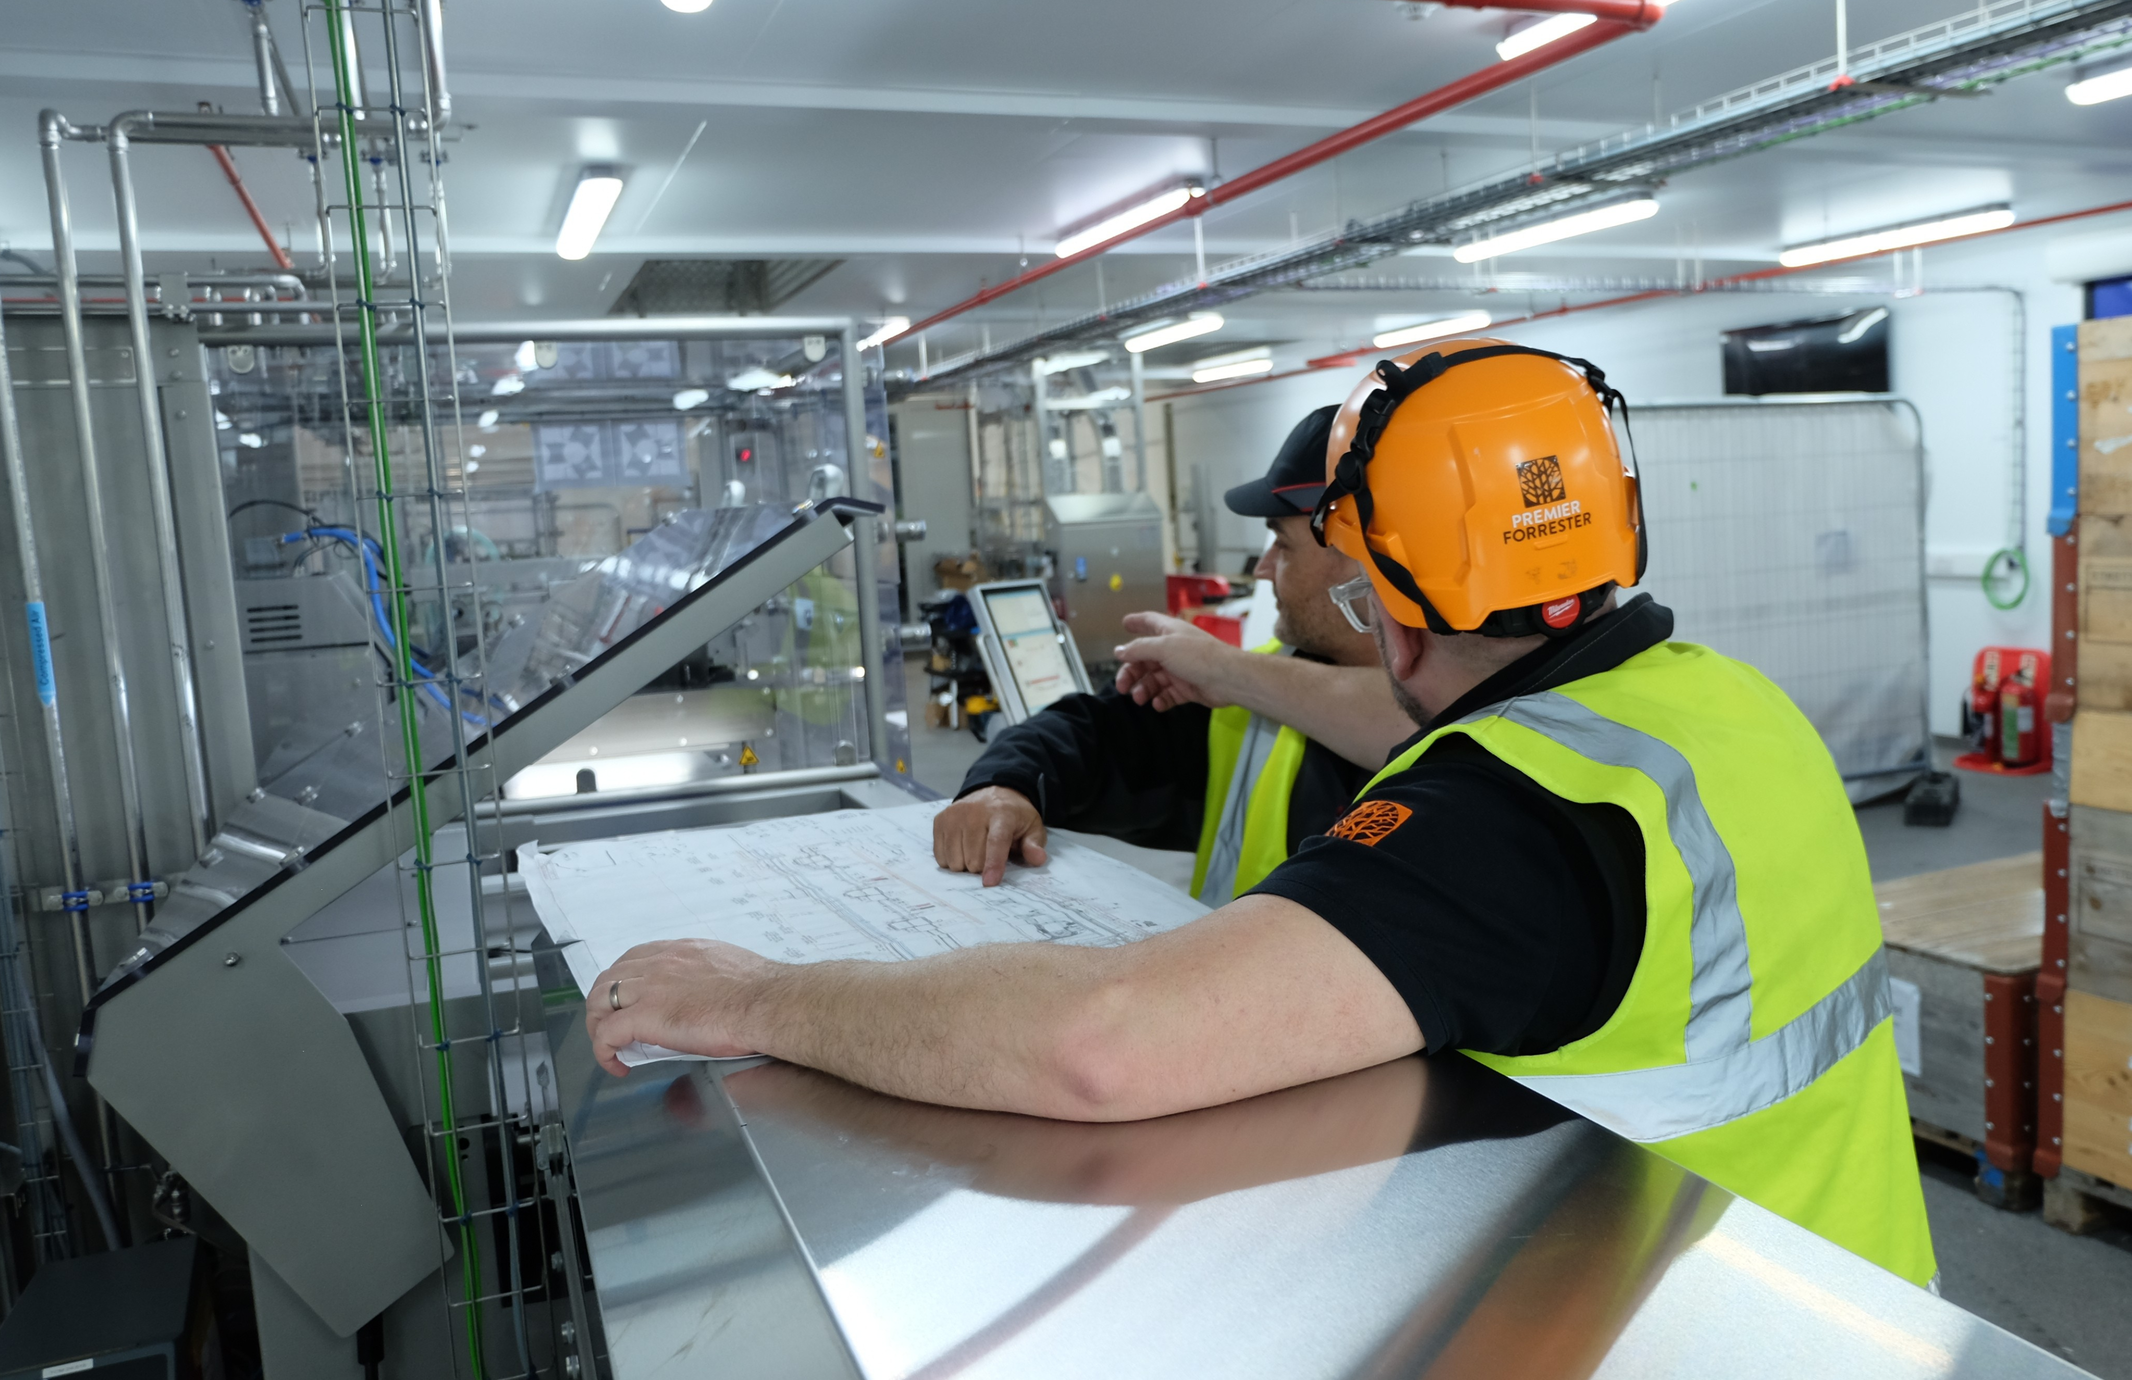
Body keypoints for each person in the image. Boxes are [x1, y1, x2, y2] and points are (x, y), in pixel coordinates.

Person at [585, 339, 1936, 1285]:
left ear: (1376, 590)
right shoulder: (1718, 703)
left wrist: (754, 997)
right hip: (1840, 1289)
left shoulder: (1514, 810)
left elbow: (1101, 1046)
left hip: (1681, 1317)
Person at [932, 406, 1403, 902]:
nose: (1262, 569)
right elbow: (1087, 733)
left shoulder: (1456, 736)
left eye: (1282, 545)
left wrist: (1228, 669)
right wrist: (1002, 787)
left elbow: (1420, 728)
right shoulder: (1254, 690)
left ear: (1362, 560)